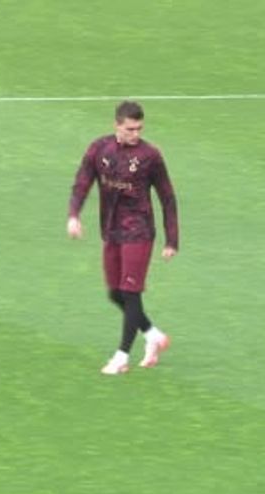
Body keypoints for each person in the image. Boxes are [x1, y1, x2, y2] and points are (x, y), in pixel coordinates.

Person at [67, 100, 179, 375]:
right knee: (115, 293)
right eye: (130, 129)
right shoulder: (99, 149)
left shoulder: (150, 156)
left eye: (139, 128)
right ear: (117, 125)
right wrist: (74, 215)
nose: (135, 134)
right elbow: (82, 182)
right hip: (111, 231)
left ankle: (121, 357)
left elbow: (167, 196)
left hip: (139, 232)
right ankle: (152, 335)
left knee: (130, 292)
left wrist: (171, 239)